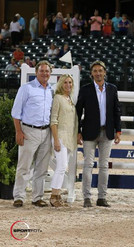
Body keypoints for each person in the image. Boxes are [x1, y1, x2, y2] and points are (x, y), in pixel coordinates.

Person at [76, 61, 121, 208]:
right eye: (95, 71)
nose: (98, 73)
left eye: (100, 70)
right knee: (88, 165)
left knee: (104, 166)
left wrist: (118, 130)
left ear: (105, 72)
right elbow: (77, 112)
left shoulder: (112, 89)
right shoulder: (85, 89)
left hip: (107, 132)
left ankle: (102, 197)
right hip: (88, 132)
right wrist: (77, 132)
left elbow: (116, 111)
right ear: (91, 74)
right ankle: (87, 198)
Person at [11, 60, 54, 208]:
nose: (44, 74)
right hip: (28, 131)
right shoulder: (26, 88)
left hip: (46, 131)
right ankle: (19, 197)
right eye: (42, 71)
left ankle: (37, 197)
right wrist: (18, 131)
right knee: (24, 166)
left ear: (50, 73)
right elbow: (16, 113)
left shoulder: (51, 90)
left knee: (42, 167)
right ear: (36, 72)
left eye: (47, 71)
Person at [49, 75, 78, 207]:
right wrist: (55, 140)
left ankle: (57, 194)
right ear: (61, 84)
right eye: (65, 82)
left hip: (69, 138)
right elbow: (53, 120)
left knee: (62, 167)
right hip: (60, 136)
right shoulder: (58, 98)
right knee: (61, 167)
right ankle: (54, 195)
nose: (68, 85)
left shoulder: (70, 99)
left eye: (70, 82)